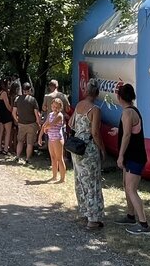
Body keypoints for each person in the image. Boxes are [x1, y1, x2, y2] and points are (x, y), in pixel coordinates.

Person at [116, 82, 150, 236]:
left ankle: (144, 225)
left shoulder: (127, 113)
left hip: (134, 157)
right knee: (127, 186)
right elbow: (128, 130)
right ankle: (130, 216)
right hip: (132, 156)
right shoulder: (132, 110)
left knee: (131, 189)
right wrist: (117, 130)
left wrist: (120, 156)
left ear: (119, 97)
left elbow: (127, 135)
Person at [69, 80, 105, 230]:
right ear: (97, 93)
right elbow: (95, 133)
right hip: (89, 149)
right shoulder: (95, 110)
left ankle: (84, 211)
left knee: (80, 180)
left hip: (77, 147)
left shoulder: (79, 105)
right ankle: (93, 219)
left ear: (86, 91)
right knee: (92, 181)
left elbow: (71, 124)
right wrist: (102, 149)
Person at [41, 96, 68, 183]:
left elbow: (50, 124)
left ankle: (62, 178)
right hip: (51, 138)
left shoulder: (60, 115)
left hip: (57, 139)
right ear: (51, 106)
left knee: (59, 158)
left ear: (60, 108)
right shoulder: (50, 114)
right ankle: (54, 176)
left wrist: (45, 128)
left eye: (57, 107)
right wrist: (40, 136)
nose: (55, 108)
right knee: (53, 158)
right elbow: (45, 124)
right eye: (53, 107)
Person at [12, 82, 40, 164]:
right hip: (31, 124)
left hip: (21, 123)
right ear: (29, 90)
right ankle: (27, 159)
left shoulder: (17, 99)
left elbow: (13, 112)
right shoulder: (32, 100)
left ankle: (17, 156)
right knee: (29, 143)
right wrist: (39, 123)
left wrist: (17, 120)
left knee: (20, 141)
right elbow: (36, 114)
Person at [0, 79, 15, 157]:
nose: (9, 85)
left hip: (0, 113)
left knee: (0, 132)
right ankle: (5, 149)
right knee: (8, 132)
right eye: (8, 84)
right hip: (6, 114)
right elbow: (8, 106)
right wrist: (13, 111)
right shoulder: (4, 93)